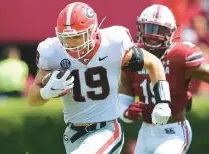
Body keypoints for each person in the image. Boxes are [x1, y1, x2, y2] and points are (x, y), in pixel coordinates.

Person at [27, 2, 172, 154]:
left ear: (92, 31)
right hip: (72, 133)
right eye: (66, 38)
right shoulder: (52, 51)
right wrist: (46, 92)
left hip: (106, 129)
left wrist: (162, 101)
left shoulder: (113, 44)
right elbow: (32, 99)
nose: (70, 43)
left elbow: (153, 63)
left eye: (77, 36)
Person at [119, 4, 209, 154]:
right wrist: (126, 113)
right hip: (145, 132)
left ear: (170, 32)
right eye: (149, 28)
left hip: (173, 132)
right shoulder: (133, 57)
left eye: (159, 30)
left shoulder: (179, 56)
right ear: (140, 27)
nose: (153, 35)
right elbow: (123, 98)